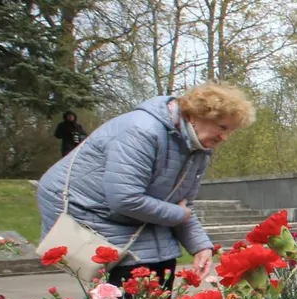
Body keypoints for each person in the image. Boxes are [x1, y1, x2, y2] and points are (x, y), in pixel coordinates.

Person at [36, 83, 255, 287]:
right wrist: (179, 214)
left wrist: (201, 246)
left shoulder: (198, 150)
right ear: (199, 114)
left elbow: (184, 206)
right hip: (93, 214)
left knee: (162, 273)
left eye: (231, 131)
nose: (225, 137)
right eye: (222, 127)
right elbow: (125, 199)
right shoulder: (141, 130)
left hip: (138, 221)